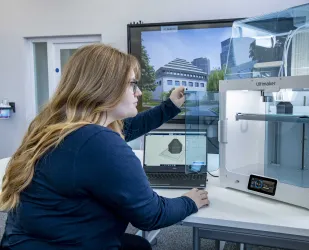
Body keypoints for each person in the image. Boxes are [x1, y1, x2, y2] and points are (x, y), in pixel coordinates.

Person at [0, 44, 209, 250]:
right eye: (132, 84)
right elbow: (152, 214)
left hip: (30, 240)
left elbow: (131, 127)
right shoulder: (97, 141)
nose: (138, 93)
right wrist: (189, 201)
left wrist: (170, 106)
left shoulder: (57, 127)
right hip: (64, 243)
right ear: (105, 88)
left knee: (139, 245)